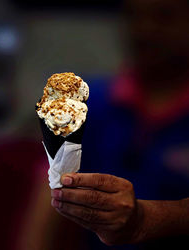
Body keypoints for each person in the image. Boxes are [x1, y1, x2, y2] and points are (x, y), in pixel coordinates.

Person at [51, 0, 189, 248]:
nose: (145, 29)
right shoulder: (90, 103)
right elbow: (50, 201)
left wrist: (147, 219)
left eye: (165, 16)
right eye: (134, 16)